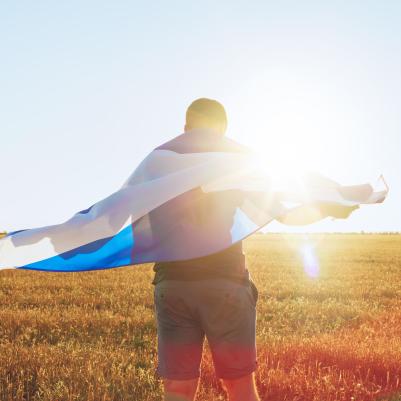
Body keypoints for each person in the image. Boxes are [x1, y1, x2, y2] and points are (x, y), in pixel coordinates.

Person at [152, 98, 261, 401]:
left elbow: (128, 206)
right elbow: (280, 198)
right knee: (239, 386)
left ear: (185, 129)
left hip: (173, 286)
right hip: (224, 283)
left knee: (178, 388)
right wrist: (337, 201)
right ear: (224, 130)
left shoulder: (161, 163)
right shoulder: (237, 164)